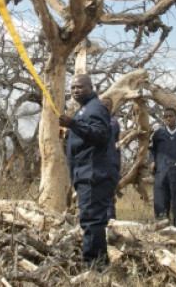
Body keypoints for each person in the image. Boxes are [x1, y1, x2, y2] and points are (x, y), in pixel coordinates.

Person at [59, 75, 118, 269]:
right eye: (73, 87)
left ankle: (95, 267)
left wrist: (73, 124)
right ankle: (98, 262)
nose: (75, 90)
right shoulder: (83, 108)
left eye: (80, 87)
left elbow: (100, 135)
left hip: (95, 174)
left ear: (91, 87)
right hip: (85, 174)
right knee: (91, 220)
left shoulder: (96, 107)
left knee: (92, 220)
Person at [101, 96, 121, 221]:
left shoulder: (113, 122)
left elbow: (117, 145)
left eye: (108, 104)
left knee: (109, 195)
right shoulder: (91, 120)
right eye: (103, 104)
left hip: (110, 163)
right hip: (94, 164)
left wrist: (117, 164)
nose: (106, 106)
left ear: (112, 107)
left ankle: (111, 222)